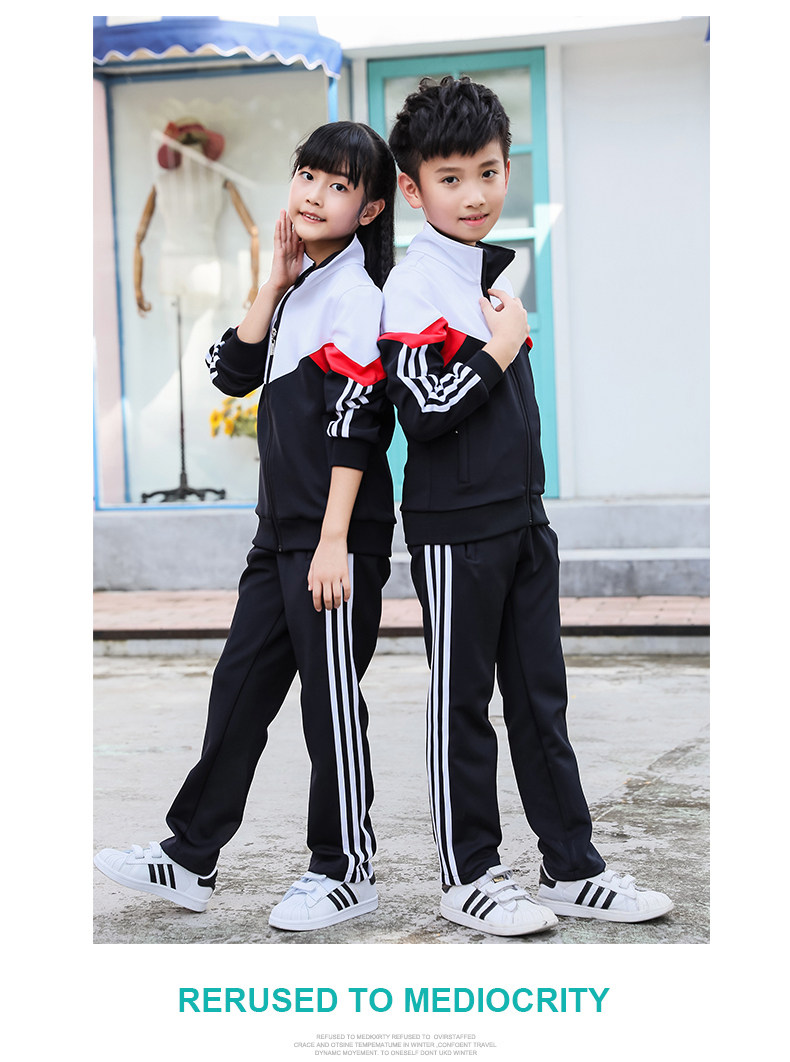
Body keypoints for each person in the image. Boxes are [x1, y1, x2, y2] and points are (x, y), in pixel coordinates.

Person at [378, 76, 673, 937]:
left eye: (488, 171)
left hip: (521, 521)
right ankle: (469, 874)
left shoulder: (486, 280)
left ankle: (571, 868)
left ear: (508, 168)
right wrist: (501, 347)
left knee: (542, 701)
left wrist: (500, 339)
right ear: (413, 189)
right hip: (455, 531)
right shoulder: (415, 284)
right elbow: (423, 411)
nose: (474, 193)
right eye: (450, 178)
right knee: (462, 705)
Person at [94, 121, 397, 932]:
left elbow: (359, 426)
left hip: (333, 541)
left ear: (370, 209)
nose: (314, 194)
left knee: (329, 708)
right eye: (307, 176)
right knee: (238, 690)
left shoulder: (358, 296)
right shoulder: (300, 288)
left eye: (339, 186)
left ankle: (345, 869)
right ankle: (189, 856)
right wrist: (271, 283)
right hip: (280, 535)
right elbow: (231, 374)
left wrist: (334, 541)